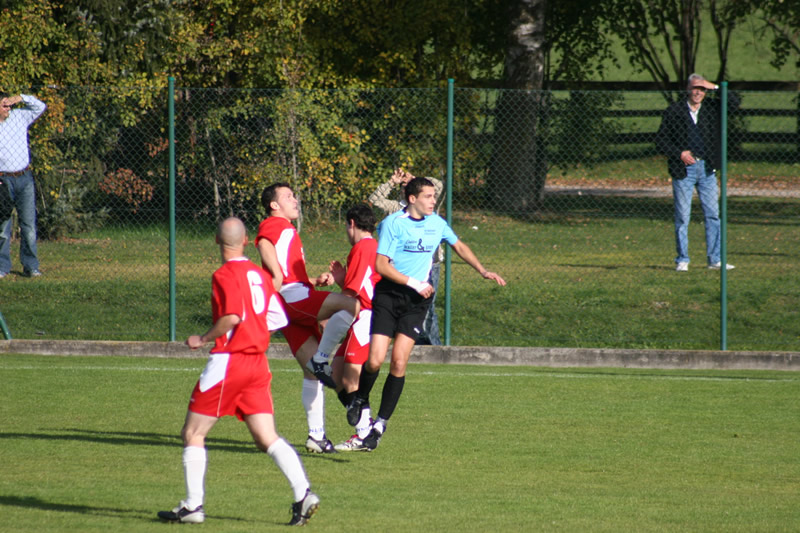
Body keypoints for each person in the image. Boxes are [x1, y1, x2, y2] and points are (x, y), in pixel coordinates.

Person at [158, 217, 319, 526]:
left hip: (230, 361)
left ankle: (193, 506)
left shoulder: (223, 274)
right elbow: (277, 316)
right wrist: (255, 330)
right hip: (258, 363)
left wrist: (202, 338)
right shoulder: (259, 274)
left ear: (217, 242)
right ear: (246, 241)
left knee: (193, 432)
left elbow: (231, 316)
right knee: (266, 436)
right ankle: (303, 493)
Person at [344, 177, 506, 451]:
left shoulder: (437, 224)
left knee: (398, 363)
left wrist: (482, 270)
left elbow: (459, 246)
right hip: (389, 295)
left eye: (433, 196)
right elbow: (381, 266)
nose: (434, 200)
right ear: (412, 198)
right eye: (429, 196)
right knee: (374, 360)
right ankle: (360, 398)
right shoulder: (393, 223)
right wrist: (413, 281)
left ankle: (379, 426)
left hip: (416, 302)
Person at [256, 183, 359, 454]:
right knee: (351, 305)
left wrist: (314, 279)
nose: (295, 199)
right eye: (288, 196)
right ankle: (341, 366)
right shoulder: (275, 224)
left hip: (292, 299)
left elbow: (287, 272)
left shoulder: (286, 229)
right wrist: (276, 276)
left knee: (312, 372)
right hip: (292, 298)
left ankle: (317, 436)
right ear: (273, 205)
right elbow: (264, 243)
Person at [656, 74, 740, 272]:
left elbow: (734, 103)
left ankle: (715, 259)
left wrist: (717, 87)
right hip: (683, 170)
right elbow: (660, 140)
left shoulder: (711, 109)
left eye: (702, 89)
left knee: (713, 214)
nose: (698, 92)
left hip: (707, 168)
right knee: (682, 216)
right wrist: (679, 153)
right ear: (688, 89)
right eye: (695, 88)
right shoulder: (674, 111)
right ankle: (682, 259)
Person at [326, 204, 381, 451]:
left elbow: (353, 293)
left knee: (350, 379)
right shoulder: (371, 247)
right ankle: (366, 427)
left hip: (366, 318)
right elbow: (358, 285)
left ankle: (364, 435)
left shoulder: (363, 247)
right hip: (362, 317)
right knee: (336, 374)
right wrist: (341, 279)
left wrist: (329, 314)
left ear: (351, 224)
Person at [369, 168, 443, 344]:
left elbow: (439, 186)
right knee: (402, 303)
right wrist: (391, 182)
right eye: (405, 187)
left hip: (430, 264)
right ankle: (405, 339)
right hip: (401, 266)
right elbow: (374, 200)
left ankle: (432, 344)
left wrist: (416, 179)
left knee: (428, 306)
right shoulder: (397, 208)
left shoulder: (428, 206)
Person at [0, 92, 47, 278]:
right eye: (4, 106)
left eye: (9, 105)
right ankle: (2, 266)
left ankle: (31, 266)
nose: (8, 109)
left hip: (24, 177)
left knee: (28, 226)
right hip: (3, 180)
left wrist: (20, 97)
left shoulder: (19, 117)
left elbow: (40, 107)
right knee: (3, 226)